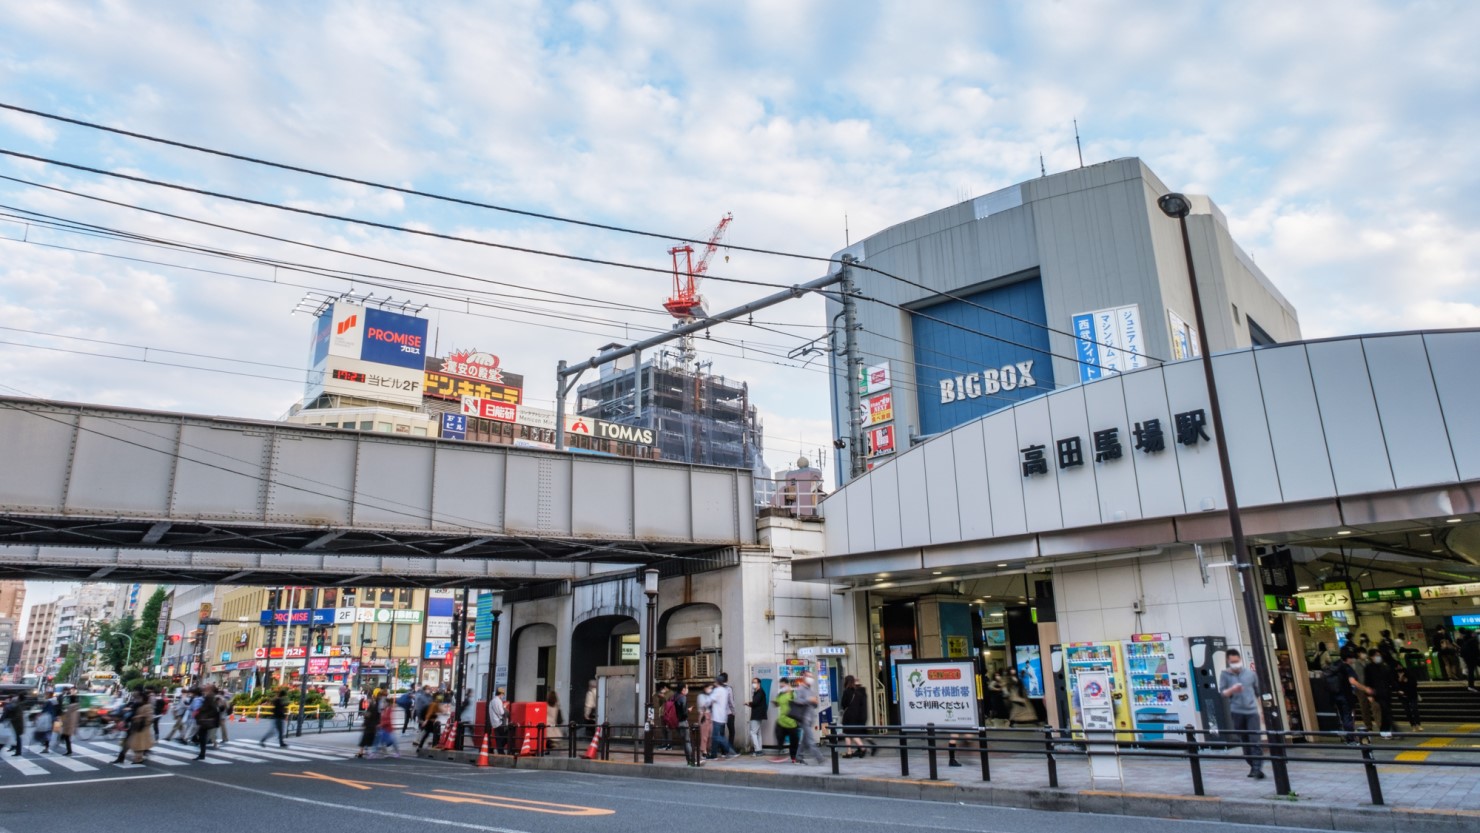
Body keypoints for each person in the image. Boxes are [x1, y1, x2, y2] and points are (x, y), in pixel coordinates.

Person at [1217, 649, 1265, 780]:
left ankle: (1257, 768)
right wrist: (1232, 689)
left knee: (1254, 740)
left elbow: (1258, 693)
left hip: (1252, 712)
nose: (1235, 664)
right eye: (1232, 662)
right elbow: (1223, 693)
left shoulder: (1250, 674)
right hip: (1237, 712)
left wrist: (1261, 711)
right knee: (1245, 741)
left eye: (1237, 661)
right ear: (1228, 661)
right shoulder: (1225, 675)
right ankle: (1252, 766)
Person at [791, 672, 824, 765]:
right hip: (804, 718)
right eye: (809, 676)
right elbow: (797, 701)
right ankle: (820, 758)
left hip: (811, 717)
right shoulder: (800, 689)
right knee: (810, 740)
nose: (811, 678)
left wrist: (815, 701)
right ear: (804, 677)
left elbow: (815, 705)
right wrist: (808, 700)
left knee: (805, 740)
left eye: (811, 676)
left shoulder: (811, 690)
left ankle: (798, 757)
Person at [707, 675, 738, 759]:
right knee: (717, 736)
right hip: (723, 716)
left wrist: (709, 693)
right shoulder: (725, 690)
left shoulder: (717, 690)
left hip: (717, 716)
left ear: (717, 682)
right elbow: (730, 701)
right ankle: (714, 754)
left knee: (717, 736)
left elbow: (709, 700)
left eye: (715, 681)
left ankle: (730, 751)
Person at [839, 675, 869, 758]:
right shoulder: (857, 692)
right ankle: (849, 751)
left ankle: (862, 748)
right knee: (849, 734)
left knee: (848, 733)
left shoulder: (846, 691)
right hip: (856, 716)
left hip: (848, 716)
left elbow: (843, 704)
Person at [1367, 650, 1395, 736]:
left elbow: (1390, 679)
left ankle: (1386, 730)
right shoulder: (1369, 668)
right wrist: (1369, 695)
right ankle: (1386, 730)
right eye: (1376, 655)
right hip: (1377, 693)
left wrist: (1396, 688)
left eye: (1379, 655)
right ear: (1371, 657)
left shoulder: (1384, 666)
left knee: (1386, 711)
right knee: (1385, 710)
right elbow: (1367, 682)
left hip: (1386, 692)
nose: (1378, 657)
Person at [194, 684, 222, 760]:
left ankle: (202, 754)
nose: (205, 688)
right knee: (201, 735)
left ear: (210, 689)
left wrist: (206, 715)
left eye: (206, 687)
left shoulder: (209, 697)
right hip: (206, 719)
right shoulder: (211, 696)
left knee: (202, 736)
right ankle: (202, 753)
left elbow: (214, 709)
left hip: (206, 720)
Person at [126, 694, 154, 764]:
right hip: (138, 726)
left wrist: (138, 716)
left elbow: (149, 716)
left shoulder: (147, 706)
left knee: (139, 744)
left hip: (142, 727)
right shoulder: (141, 705)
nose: (139, 700)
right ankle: (138, 757)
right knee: (137, 744)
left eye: (140, 699)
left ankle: (138, 758)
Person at [1394, 665, 1423, 731]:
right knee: (1407, 711)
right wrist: (1399, 683)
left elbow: (1414, 683)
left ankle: (1418, 724)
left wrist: (1405, 680)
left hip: (1412, 694)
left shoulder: (1409, 673)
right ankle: (1413, 725)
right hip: (1403, 696)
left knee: (1415, 709)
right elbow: (1395, 686)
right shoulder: (1394, 675)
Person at [746, 677, 767, 756]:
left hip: (757, 715)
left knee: (753, 732)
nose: (753, 684)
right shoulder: (758, 692)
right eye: (752, 682)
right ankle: (759, 749)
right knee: (758, 733)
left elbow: (755, 703)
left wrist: (748, 703)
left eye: (754, 682)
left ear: (759, 683)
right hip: (758, 714)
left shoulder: (760, 692)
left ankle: (757, 750)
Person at [356, 694, 379, 758]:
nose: (368, 702)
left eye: (369, 701)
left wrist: (365, 715)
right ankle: (362, 752)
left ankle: (363, 752)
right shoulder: (373, 707)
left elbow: (369, 715)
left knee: (366, 740)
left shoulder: (373, 707)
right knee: (366, 740)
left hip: (370, 726)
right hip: (370, 726)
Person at [57, 691, 79, 756]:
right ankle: (69, 750)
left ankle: (69, 750)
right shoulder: (77, 707)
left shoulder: (70, 707)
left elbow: (67, 717)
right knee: (67, 738)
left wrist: (64, 723)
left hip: (68, 725)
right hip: (72, 725)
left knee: (66, 738)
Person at [487, 687, 507, 754]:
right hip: (499, 722)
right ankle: (501, 751)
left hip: (494, 723)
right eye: (503, 694)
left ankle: (500, 751)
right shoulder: (498, 701)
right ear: (501, 694)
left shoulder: (492, 701)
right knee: (506, 736)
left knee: (498, 739)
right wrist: (504, 707)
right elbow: (501, 712)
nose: (503, 696)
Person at [697, 683, 714, 759]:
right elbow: (703, 705)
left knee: (710, 734)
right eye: (709, 688)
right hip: (704, 715)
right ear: (705, 688)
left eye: (711, 688)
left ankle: (708, 749)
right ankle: (704, 751)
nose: (711, 690)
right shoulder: (700, 696)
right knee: (704, 735)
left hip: (710, 715)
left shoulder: (710, 695)